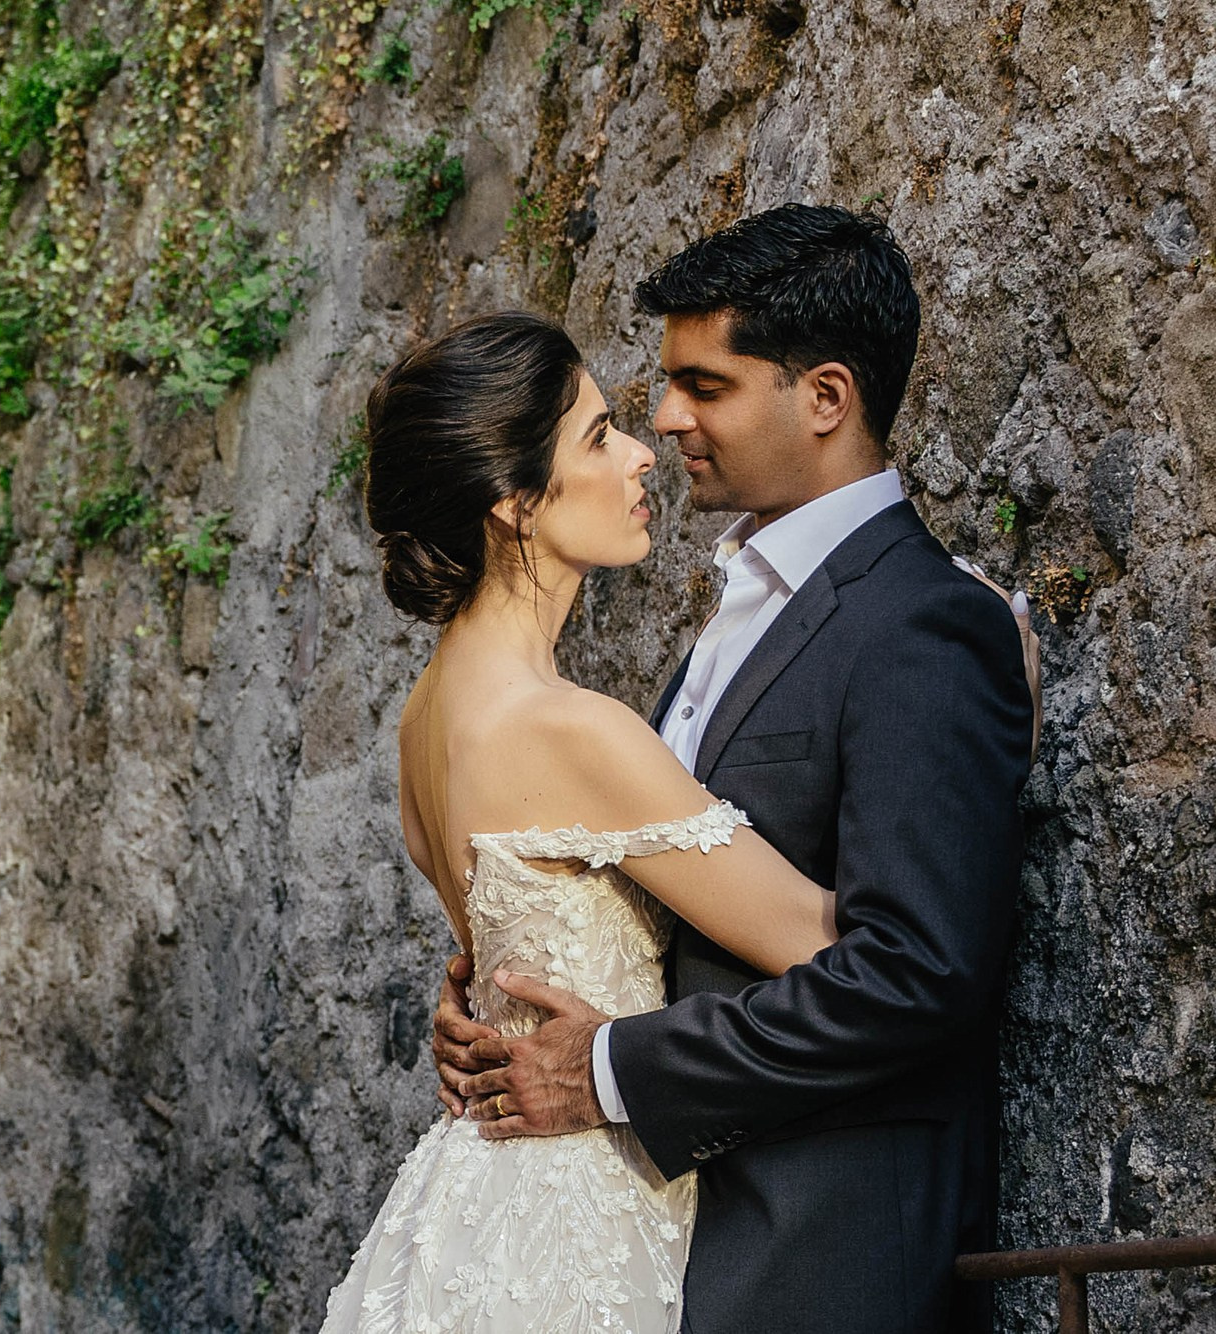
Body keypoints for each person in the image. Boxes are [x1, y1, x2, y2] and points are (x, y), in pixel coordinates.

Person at [433, 204, 1037, 1332]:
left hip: (821, 1250)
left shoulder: (924, 626)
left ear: (822, 398)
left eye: (703, 387)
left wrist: (607, 1067)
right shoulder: (736, 614)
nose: (664, 419)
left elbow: (918, 972)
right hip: (681, 1234)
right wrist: (495, 996)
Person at [319, 310, 849, 1333]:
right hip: (574, 1212)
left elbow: (490, 962)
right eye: (597, 435)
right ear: (517, 502)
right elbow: (821, 941)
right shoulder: (567, 730)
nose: (641, 450)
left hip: (470, 1201)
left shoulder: (422, 720)